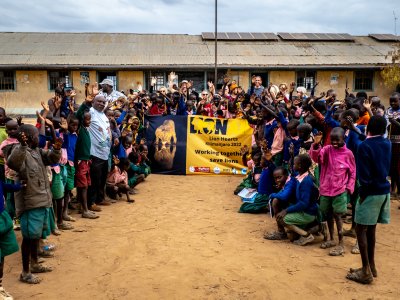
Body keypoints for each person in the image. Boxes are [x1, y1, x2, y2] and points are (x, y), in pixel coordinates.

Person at [7, 124, 62, 284]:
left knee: (35, 237)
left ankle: (35, 264)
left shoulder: (37, 151)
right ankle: (25, 272)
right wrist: (22, 145)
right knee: (28, 238)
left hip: (41, 200)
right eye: (37, 135)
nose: (39, 138)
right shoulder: (19, 151)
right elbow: (13, 163)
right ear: (30, 138)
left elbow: (51, 159)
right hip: (30, 203)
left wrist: (56, 149)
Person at [346, 116, 391, 284]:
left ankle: (365, 271)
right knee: (371, 229)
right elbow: (372, 142)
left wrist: (362, 193)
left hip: (369, 192)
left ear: (368, 128)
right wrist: (356, 130)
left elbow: (363, 175)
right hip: (383, 191)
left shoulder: (364, 147)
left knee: (360, 230)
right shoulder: (387, 143)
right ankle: (371, 266)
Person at [310, 128, 356, 256]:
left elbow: (352, 172)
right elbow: (316, 157)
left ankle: (341, 243)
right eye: (333, 140)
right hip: (325, 189)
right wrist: (316, 145)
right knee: (328, 214)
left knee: (338, 215)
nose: (334, 142)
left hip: (339, 190)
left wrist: (349, 187)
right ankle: (331, 239)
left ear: (344, 139)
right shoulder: (326, 150)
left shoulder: (348, 154)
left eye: (338, 140)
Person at [275, 154, 319, 246]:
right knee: (292, 237)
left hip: (307, 213)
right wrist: (291, 155)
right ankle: (306, 229)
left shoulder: (306, 181)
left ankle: (307, 235)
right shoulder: (300, 176)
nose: (293, 166)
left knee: (282, 219)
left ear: (300, 166)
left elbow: (304, 203)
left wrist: (286, 211)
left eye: (294, 164)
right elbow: (291, 169)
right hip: (305, 211)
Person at [0, 179, 21, 298]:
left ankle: (0, 287)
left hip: (2, 217)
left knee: (2, 253)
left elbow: (3, 185)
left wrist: (19, 186)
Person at [264, 167, 297, 240]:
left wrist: (272, 195)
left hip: (300, 208)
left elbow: (284, 196)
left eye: (279, 177)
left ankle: (281, 232)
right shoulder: (288, 181)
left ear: (286, 175)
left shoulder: (290, 183)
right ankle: (282, 231)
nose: (277, 180)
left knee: (276, 200)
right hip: (295, 205)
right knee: (276, 200)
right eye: (275, 178)